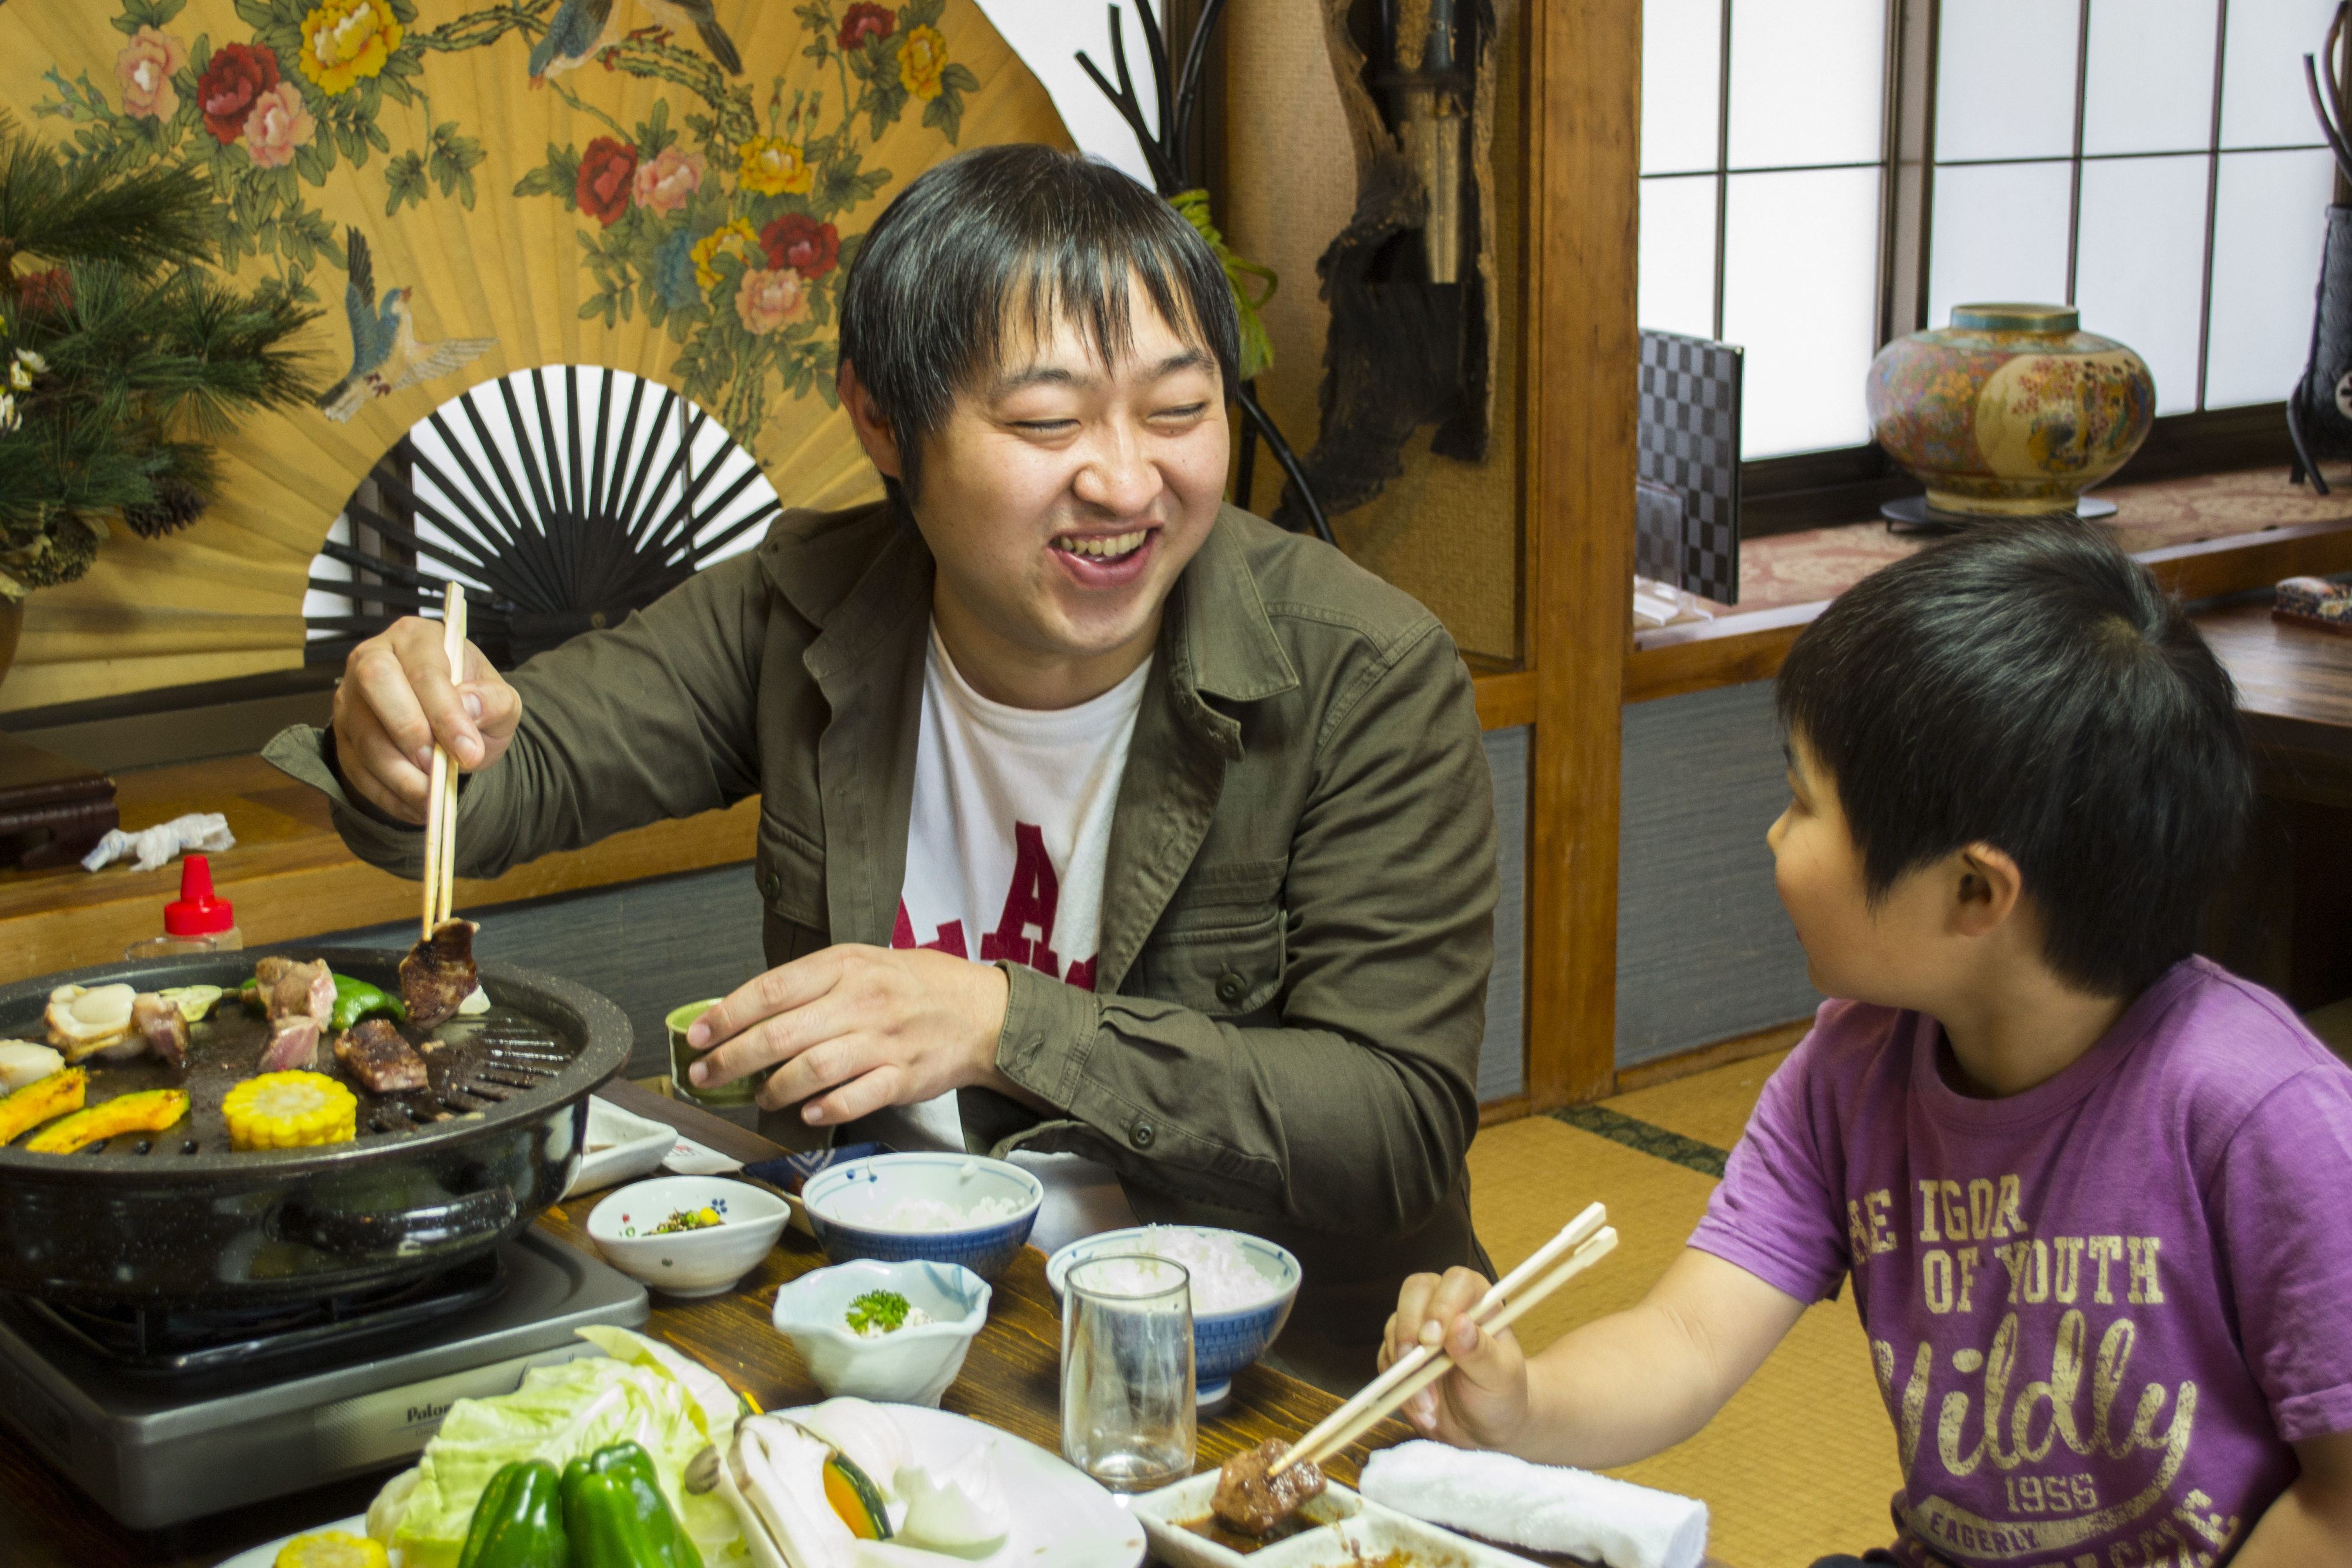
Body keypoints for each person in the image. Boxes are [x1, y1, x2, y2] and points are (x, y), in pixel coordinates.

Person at [267, 144, 1499, 1374]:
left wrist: (1004, 1023)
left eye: (1179, 409)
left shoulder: (1361, 674)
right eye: (1044, 419)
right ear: (880, 418)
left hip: (1262, 1370)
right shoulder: (808, 604)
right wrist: (405, 730)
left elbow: (1393, 1124)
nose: (1126, 478)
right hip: (902, 1321)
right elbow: (506, 780)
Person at [1382, 521, 2352, 1566]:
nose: (1773, 834)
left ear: (1976, 891)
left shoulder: (2263, 1113)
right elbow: (1688, 1338)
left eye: (1804, 800)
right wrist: (1518, 1404)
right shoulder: (1855, 1067)